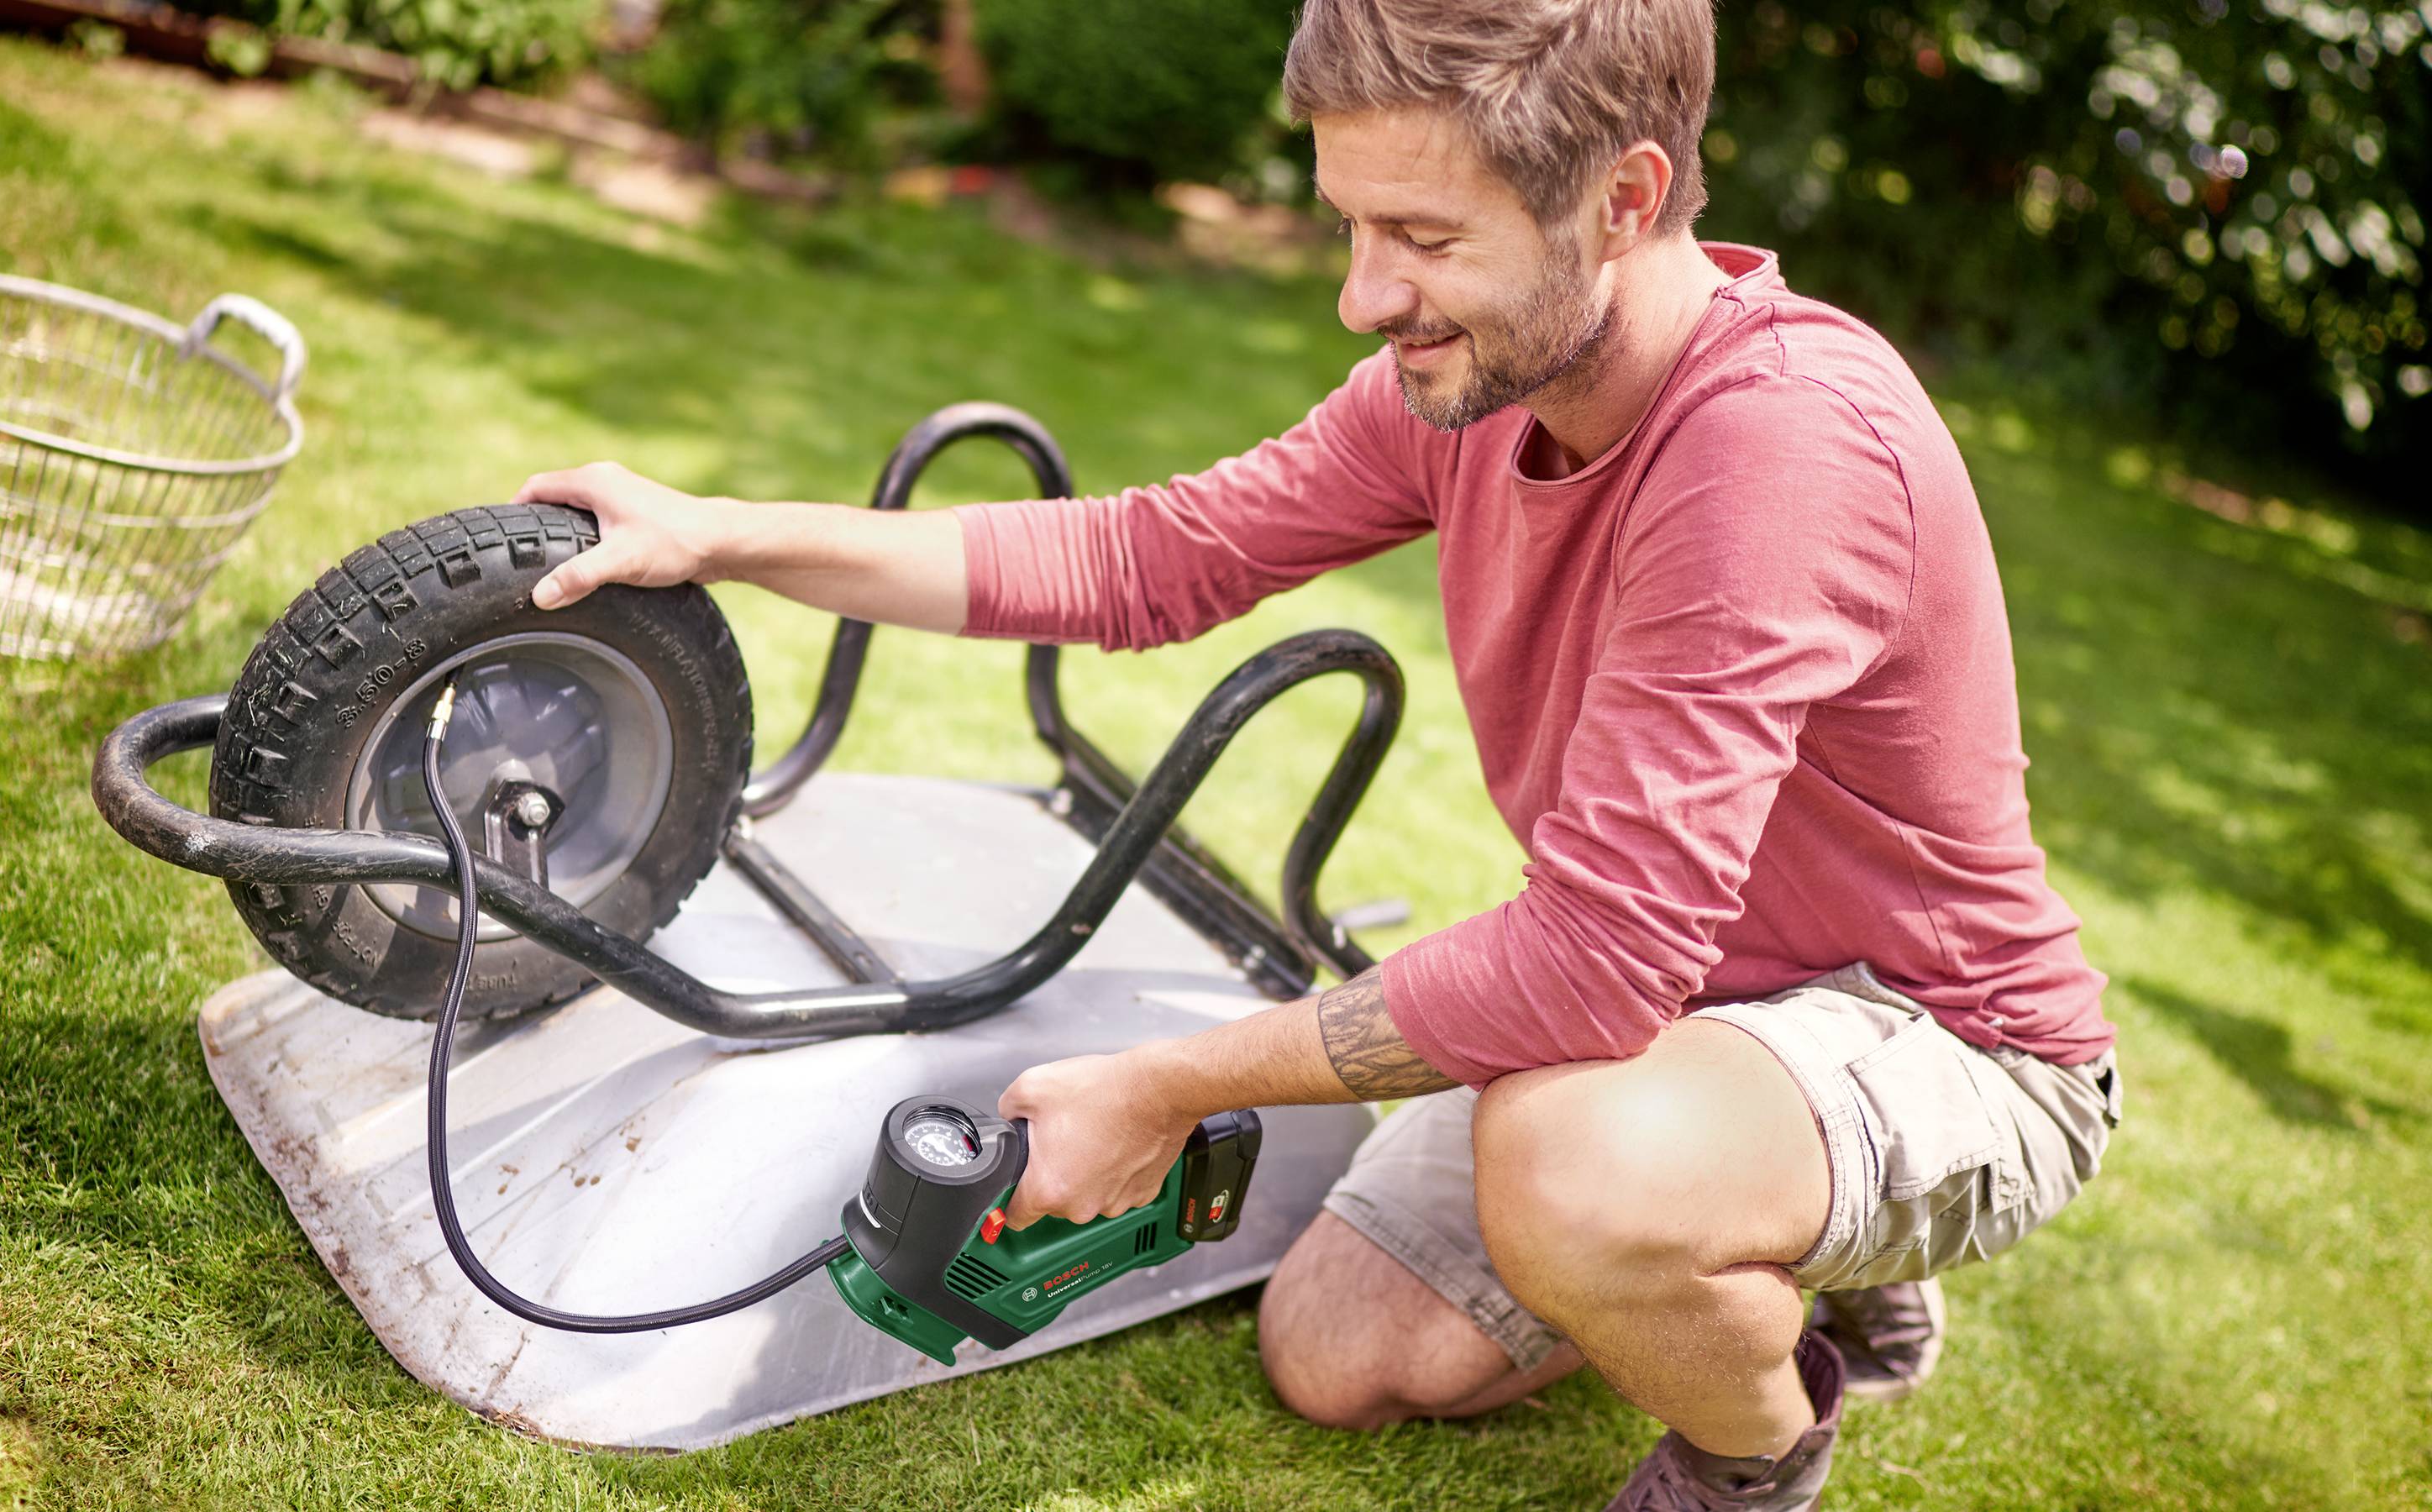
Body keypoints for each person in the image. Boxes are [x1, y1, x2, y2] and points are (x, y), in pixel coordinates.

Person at [512, 1, 2123, 1504]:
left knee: (1568, 1169)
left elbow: (1588, 975)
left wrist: (1160, 1087)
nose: (1363, 293)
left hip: (1941, 1033)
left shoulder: (1776, 450)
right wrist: (719, 534)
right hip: (1691, 1013)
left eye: (1425, 237)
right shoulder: (1488, 379)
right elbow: (1145, 563)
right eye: (1354, 223)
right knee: (1338, 1353)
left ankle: (1755, 1451)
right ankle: (1797, 1245)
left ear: (1625, 199)